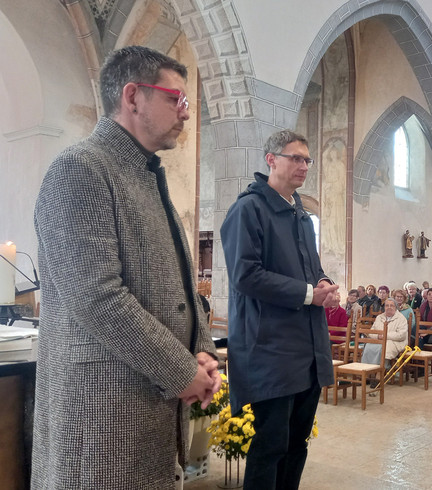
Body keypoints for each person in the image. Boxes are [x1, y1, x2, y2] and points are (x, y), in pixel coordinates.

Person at [32, 46, 220, 489]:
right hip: (99, 419)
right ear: (133, 96)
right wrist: (181, 370)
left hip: (145, 406)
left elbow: (183, 286)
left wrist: (203, 349)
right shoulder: (79, 170)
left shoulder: (146, 176)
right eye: (176, 99)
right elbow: (98, 298)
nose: (186, 113)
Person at [220, 129, 339, 489]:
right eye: (296, 158)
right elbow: (245, 275)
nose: (304, 166)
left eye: (307, 159)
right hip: (270, 349)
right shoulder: (249, 208)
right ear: (271, 160)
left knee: (296, 443)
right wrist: (307, 294)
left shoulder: (300, 213)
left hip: (306, 349)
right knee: (270, 445)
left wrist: (323, 284)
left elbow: (310, 267)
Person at [360, 298, 408, 387]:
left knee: (386, 347)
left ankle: (378, 376)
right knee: (369, 345)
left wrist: (385, 336)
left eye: (391, 305)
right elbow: (371, 332)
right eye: (387, 305)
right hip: (379, 340)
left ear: (396, 307)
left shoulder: (401, 319)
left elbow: (401, 335)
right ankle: (366, 374)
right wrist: (378, 336)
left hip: (396, 342)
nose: (389, 307)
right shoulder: (380, 317)